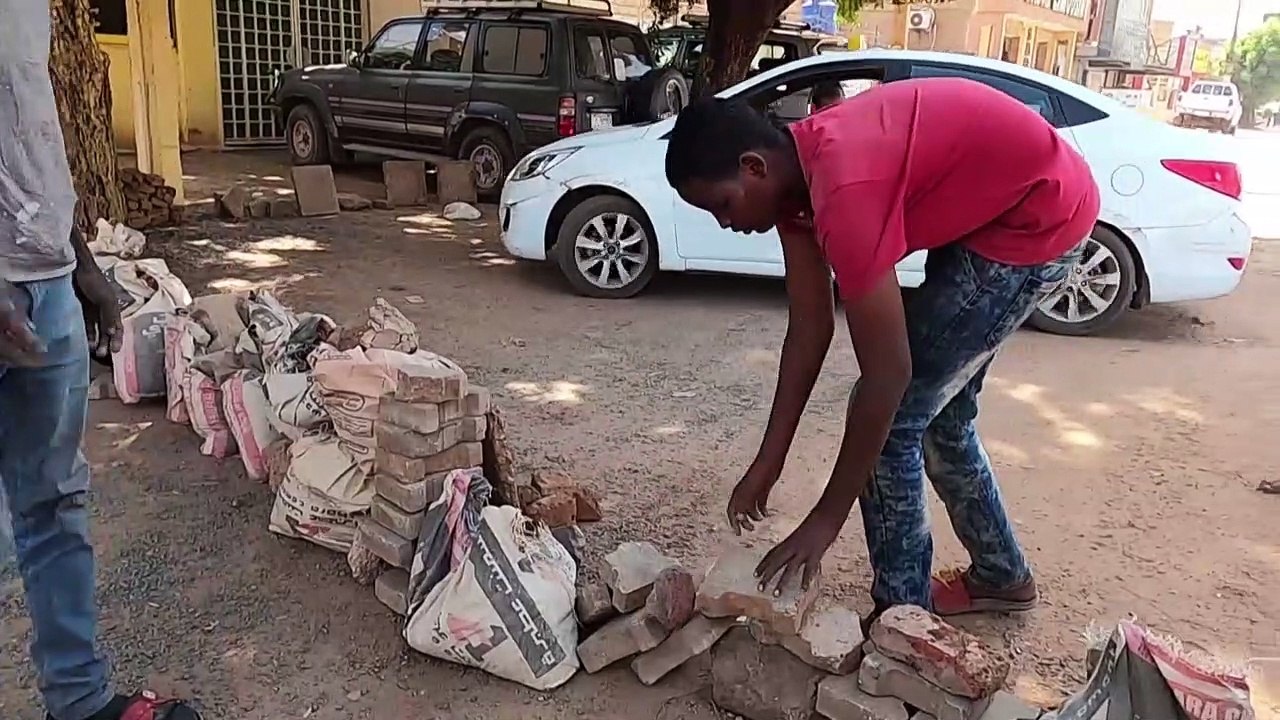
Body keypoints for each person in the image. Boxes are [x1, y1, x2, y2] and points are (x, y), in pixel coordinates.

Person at [664, 77, 1099, 617]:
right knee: (938, 415)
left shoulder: (843, 191)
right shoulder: (793, 182)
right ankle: (1001, 576)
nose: (726, 223)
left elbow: (886, 375)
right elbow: (809, 329)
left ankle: (903, 622)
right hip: (991, 209)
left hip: (1038, 218)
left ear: (754, 167)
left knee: (893, 417)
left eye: (721, 206)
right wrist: (768, 462)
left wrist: (825, 518)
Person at [1, 2, 199, 719]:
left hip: (45, 279)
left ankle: (78, 705)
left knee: (55, 504)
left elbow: (27, 123)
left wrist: (76, 254)